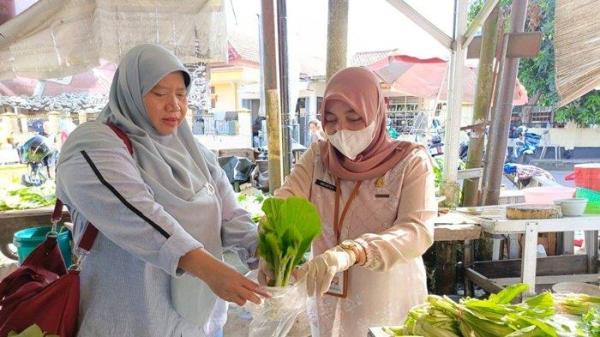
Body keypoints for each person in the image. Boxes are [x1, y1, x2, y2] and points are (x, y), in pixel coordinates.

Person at [56, 44, 268, 337]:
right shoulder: (93, 144)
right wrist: (208, 269)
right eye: (159, 93)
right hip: (131, 322)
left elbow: (230, 216)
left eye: (181, 94)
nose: (174, 105)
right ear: (130, 92)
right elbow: (136, 214)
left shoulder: (195, 153)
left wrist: (264, 252)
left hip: (200, 322)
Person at [269, 67, 437, 337]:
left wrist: (353, 252)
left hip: (385, 296)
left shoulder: (410, 162)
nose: (341, 130)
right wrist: (271, 250)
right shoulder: (318, 159)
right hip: (327, 294)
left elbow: (416, 231)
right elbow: (285, 202)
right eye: (331, 120)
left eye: (354, 117)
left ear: (375, 112)